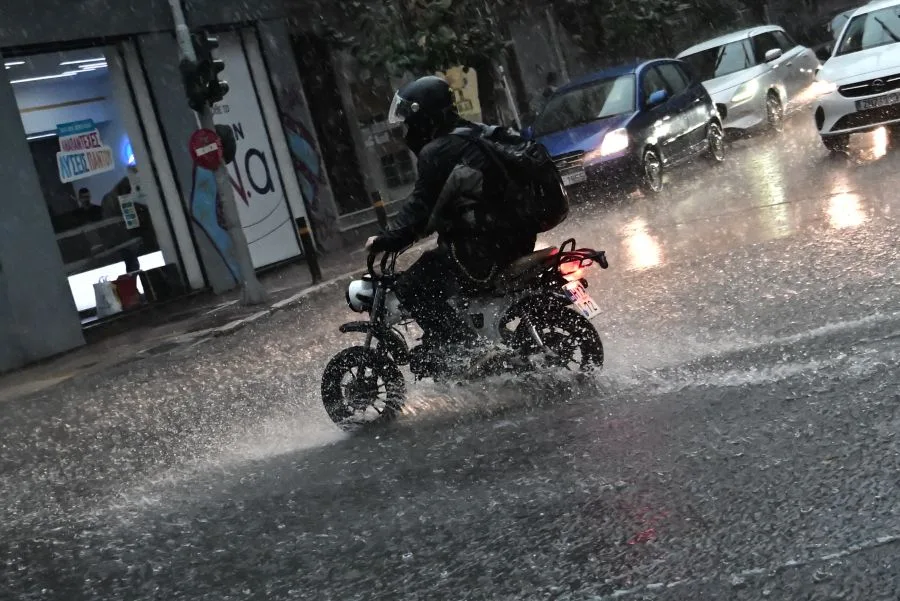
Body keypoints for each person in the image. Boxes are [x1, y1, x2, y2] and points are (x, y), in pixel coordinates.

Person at [366, 75, 538, 363]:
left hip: (483, 248)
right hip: (516, 238)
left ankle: (466, 352)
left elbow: (420, 208)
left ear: (423, 118)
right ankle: (478, 339)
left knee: (412, 286)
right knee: (440, 270)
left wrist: (388, 238)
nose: (407, 131)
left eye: (409, 123)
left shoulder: (439, 151)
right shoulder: (477, 133)